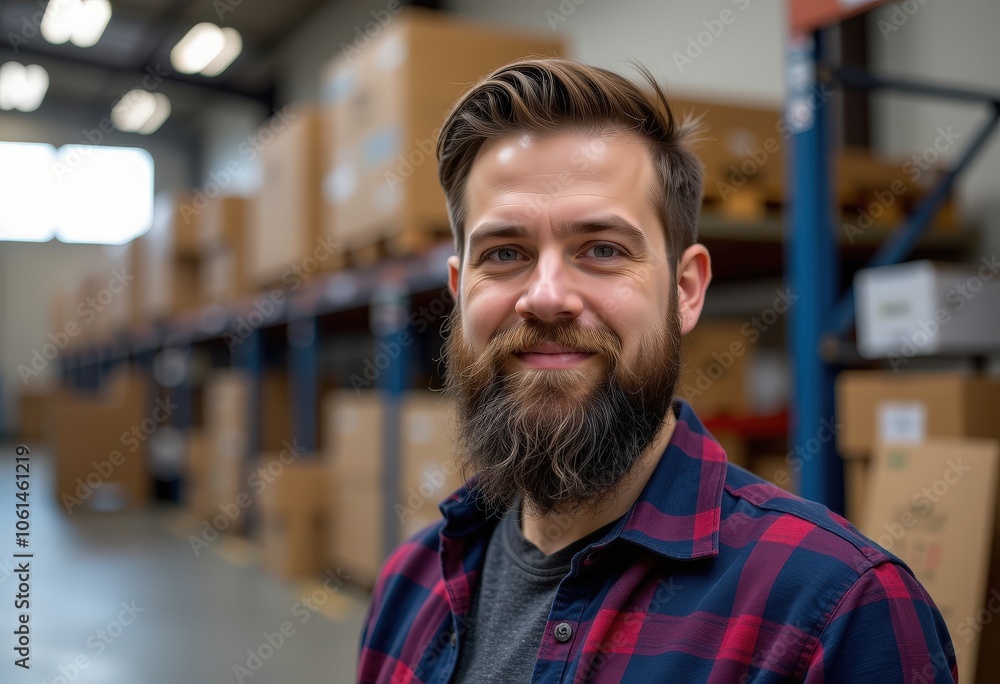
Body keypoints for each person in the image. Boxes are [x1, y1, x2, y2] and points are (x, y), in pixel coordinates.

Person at [357, 58, 956, 683]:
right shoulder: (408, 587)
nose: (547, 296)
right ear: (458, 293)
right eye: (505, 253)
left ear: (686, 289)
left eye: (603, 250)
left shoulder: (835, 615)